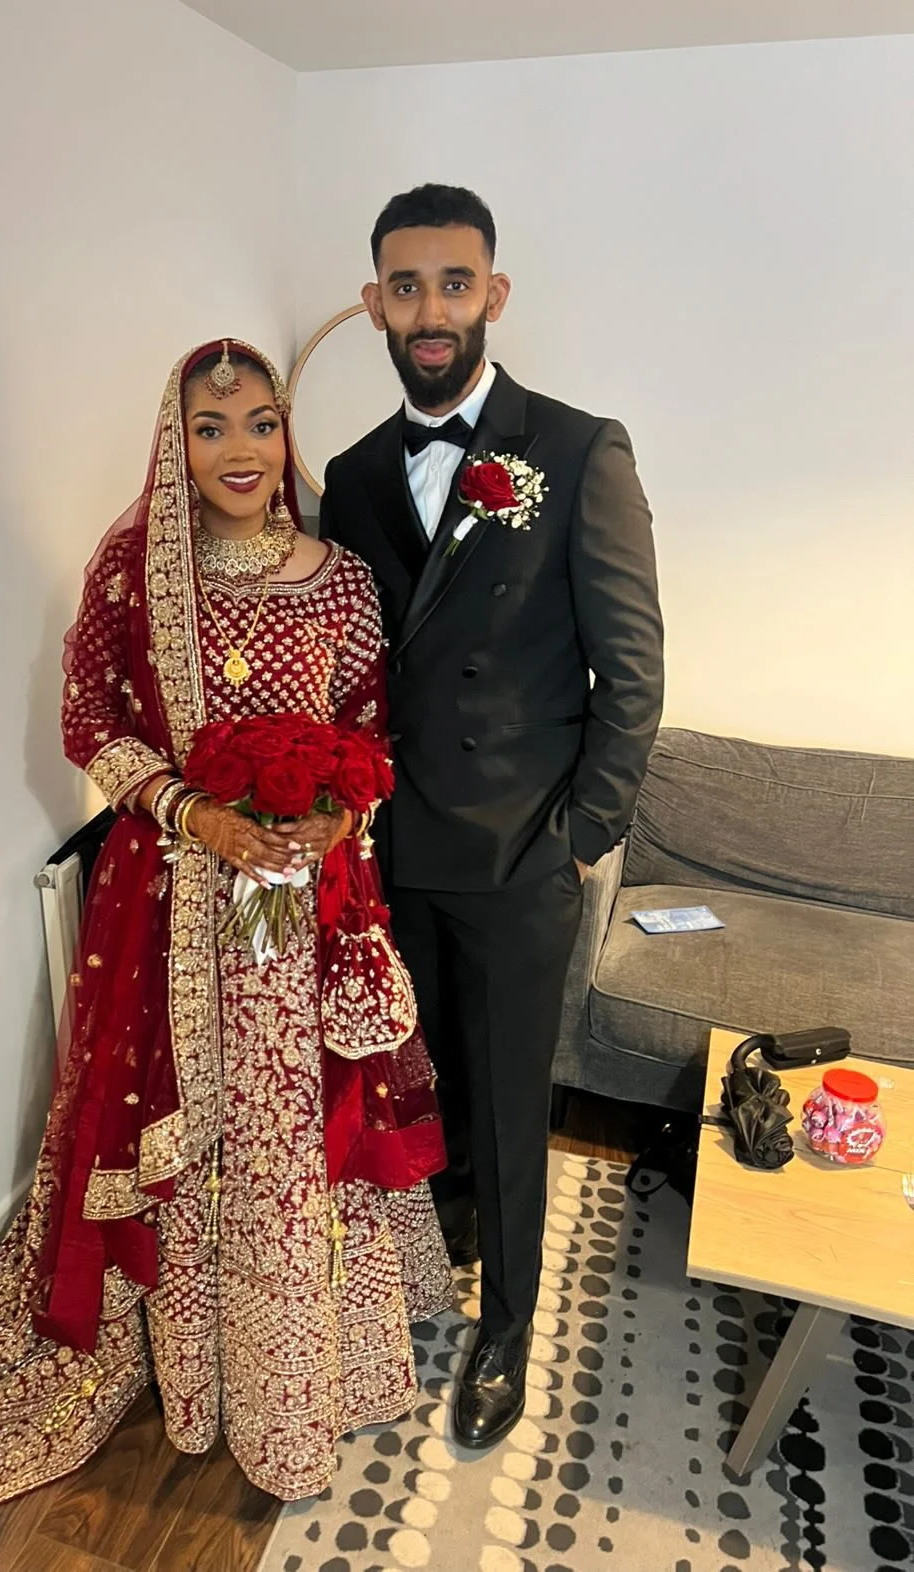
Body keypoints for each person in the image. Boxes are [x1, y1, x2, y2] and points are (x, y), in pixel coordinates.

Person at [0, 340, 451, 1538]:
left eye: (259, 423)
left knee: (309, 1126)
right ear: (176, 441)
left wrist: (333, 808)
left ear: (286, 433)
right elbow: (86, 720)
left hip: (310, 909)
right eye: (211, 430)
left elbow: (372, 724)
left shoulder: (346, 580)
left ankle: (311, 1374)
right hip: (178, 910)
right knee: (199, 1122)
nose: (240, 451)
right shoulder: (135, 570)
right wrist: (198, 810)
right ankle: (205, 1380)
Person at [319, 185, 665, 1450]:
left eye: (452, 284)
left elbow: (632, 668)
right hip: (399, 847)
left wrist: (583, 835)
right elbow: (355, 659)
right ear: (373, 304)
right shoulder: (351, 476)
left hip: (524, 849)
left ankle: (507, 1327)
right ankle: (445, 1233)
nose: (428, 311)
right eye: (403, 287)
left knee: (516, 1097)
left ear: (492, 297)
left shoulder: (576, 449)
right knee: (434, 1076)